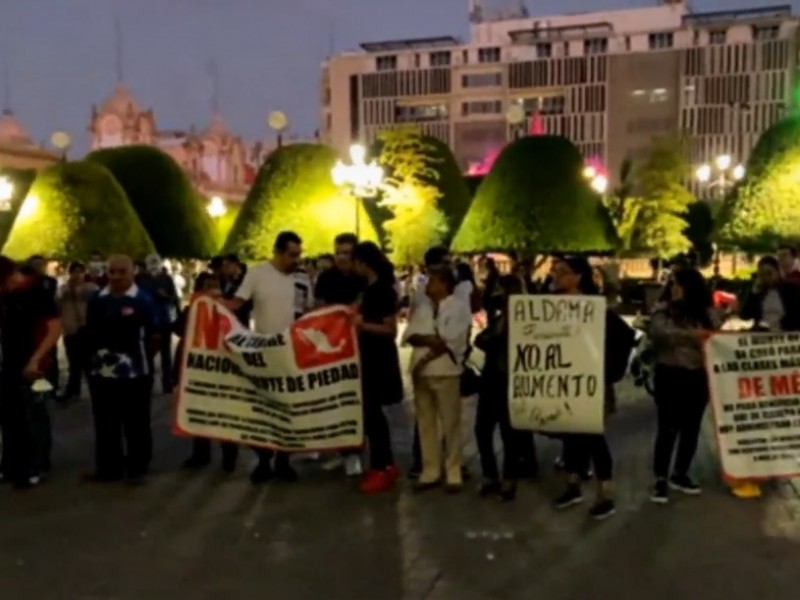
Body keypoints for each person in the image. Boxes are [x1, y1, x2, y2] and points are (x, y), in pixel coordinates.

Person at [224, 231, 311, 485]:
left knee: (289, 409)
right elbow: (237, 303)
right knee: (261, 410)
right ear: (278, 251)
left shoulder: (302, 279)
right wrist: (210, 307)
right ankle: (263, 459)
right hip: (262, 352)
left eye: (299, 254)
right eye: (292, 254)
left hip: (292, 353)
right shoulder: (257, 274)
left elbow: (308, 312)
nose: (296, 259)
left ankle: (284, 460)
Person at [550, 256, 630, 521]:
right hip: (564, 382)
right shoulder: (547, 307)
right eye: (555, 271)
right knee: (571, 435)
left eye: (562, 272)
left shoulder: (595, 310)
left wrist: (606, 372)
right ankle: (573, 485)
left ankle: (606, 493)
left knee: (593, 437)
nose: (556, 276)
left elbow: (623, 336)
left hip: (591, 383)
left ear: (578, 277)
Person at [85, 255, 159, 483]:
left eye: (121, 272)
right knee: (105, 422)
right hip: (102, 373)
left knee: (136, 422)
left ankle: (138, 468)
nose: (116, 277)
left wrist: (143, 359)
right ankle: (108, 467)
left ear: (132, 272)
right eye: (112, 272)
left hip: (135, 373)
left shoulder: (143, 300)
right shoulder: (98, 299)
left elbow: (155, 335)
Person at [731, 256, 800, 499]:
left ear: (778, 272)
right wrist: (753, 291)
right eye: (762, 274)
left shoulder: (791, 291)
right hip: (761, 354)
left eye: (769, 273)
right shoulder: (759, 292)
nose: (766, 278)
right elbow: (745, 314)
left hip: (785, 352)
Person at [648, 267, 717, 504]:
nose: (675, 288)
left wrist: (694, 335)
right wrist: (693, 336)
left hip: (697, 377)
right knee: (667, 428)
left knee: (691, 428)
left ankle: (680, 473)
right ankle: (660, 478)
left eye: (680, 283)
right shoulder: (663, 310)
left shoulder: (707, 313)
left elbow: (714, 338)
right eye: (672, 283)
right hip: (669, 374)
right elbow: (659, 333)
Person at [403, 266, 472, 494]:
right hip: (421, 373)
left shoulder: (459, 308)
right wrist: (427, 341)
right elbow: (411, 335)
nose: (428, 286)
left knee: (450, 423)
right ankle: (430, 469)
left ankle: (453, 471)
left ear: (444, 284)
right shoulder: (423, 308)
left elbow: (449, 340)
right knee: (425, 423)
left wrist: (429, 342)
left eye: (433, 281)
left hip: (446, 371)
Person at [0, 257, 62, 488]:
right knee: (10, 415)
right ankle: (11, 465)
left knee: (34, 417)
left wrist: (36, 360)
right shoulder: (7, 296)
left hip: (37, 365)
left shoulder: (38, 292)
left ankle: (36, 465)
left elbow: (54, 329)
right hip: (10, 361)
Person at [351, 241, 404, 494]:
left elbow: (390, 329)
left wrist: (362, 325)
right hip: (367, 356)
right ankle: (387, 464)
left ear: (363, 263)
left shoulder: (382, 290)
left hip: (378, 357)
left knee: (373, 415)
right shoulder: (368, 289)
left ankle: (380, 467)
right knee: (372, 415)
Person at [314, 232, 367, 476]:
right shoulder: (326, 278)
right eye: (338, 252)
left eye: (346, 253)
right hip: (332, 347)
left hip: (360, 346)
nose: (341, 257)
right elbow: (318, 309)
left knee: (357, 401)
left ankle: (355, 451)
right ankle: (338, 449)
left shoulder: (363, 278)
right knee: (334, 399)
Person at [177, 273, 240, 473]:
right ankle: (201, 454)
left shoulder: (228, 311)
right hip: (199, 371)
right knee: (200, 414)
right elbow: (179, 331)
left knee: (225, 416)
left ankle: (229, 457)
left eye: (215, 286)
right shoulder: (192, 310)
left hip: (223, 370)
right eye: (207, 287)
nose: (212, 291)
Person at [474, 274, 524, 501]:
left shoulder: (521, 320)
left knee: (508, 432)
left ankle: (509, 478)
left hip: (508, 379)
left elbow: (490, 341)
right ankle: (491, 475)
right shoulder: (501, 318)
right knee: (483, 429)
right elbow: (482, 339)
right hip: (491, 379)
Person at [136, 253, 181, 394]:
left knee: (166, 354)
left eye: (156, 262)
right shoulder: (141, 280)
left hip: (164, 319)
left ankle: (167, 383)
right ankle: (148, 382)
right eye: (151, 262)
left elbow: (173, 298)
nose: (154, 265)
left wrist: (166, 297)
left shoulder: (166, 279)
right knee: (148, 354)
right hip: (148, 321)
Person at [57, 261, 99, 403]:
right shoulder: (63, 289)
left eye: (80, 271)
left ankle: (95, 391)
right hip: (71, 329)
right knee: (74, 363)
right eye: (74, 271)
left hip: (87, 329)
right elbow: (57, 304)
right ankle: (73, 390)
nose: (77, 274)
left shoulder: (91, 287)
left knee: (89, 363)